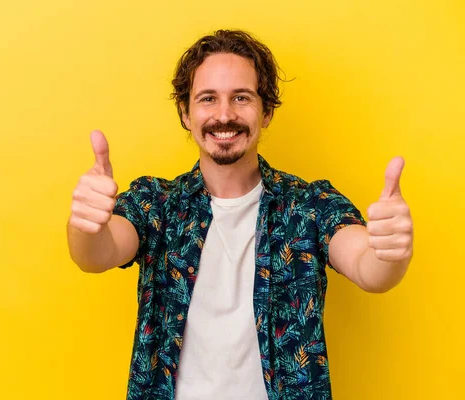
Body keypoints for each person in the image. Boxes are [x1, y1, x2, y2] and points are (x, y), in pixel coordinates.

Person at [67, 30, 413, 400]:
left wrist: (389, 252)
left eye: (241, 98)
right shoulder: (157, 203)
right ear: (185, 113)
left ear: (267, 112)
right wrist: (87, 224)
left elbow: (369, 268)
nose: (224, 115)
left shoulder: (309, 205)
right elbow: (96, 254)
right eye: (208, 99)